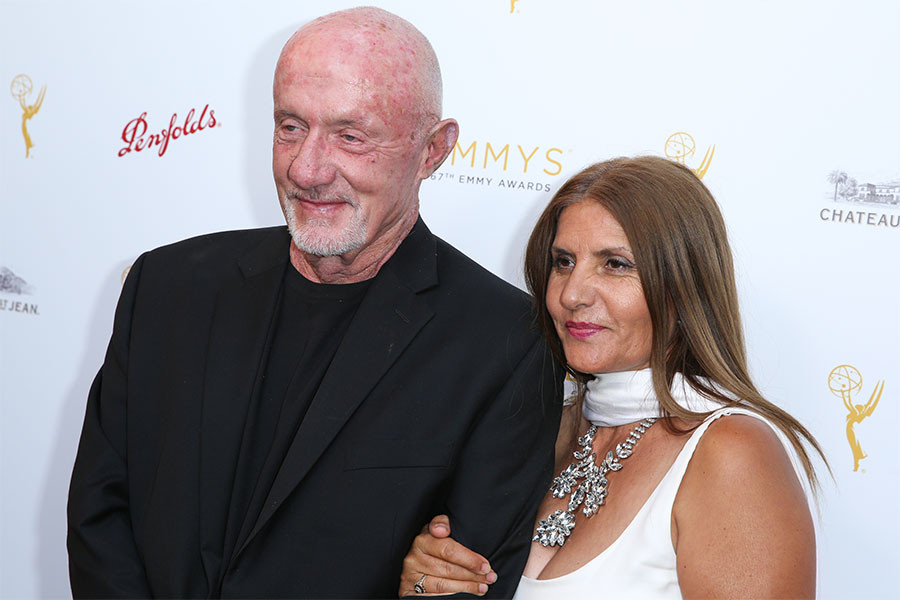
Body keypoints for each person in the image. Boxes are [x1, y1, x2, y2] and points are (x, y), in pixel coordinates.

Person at [67, 7, 561, 598]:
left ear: (433, 150)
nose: (306, 169)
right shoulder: (166, 286)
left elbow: (463, 583)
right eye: (290, 127)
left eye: (350, 136)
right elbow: (100, 515)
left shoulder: (506, 344)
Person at [399, 156, 826, 598]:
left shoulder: (732, 452)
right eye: (564, 261)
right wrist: (429, 583)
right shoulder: (544, 426)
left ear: (685, 284)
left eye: (616, 264)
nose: (572, 294)